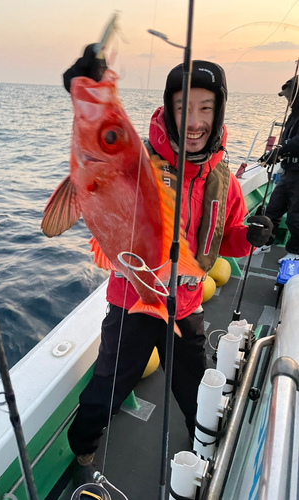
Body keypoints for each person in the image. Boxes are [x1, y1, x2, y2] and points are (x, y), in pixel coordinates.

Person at [62, 46, 273, 466]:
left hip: (185, 306)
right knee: (107, 388)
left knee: (196, 391)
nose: (195, 121)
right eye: (183, 107)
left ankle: (204, 456)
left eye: (206, 109)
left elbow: (226, 238)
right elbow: (101, 152)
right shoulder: (138, 162)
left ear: (218, 114)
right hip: (132, 303)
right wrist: (81, 88)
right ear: (168, 110)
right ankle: (82, 445)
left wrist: (249, 236)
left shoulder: (223, 181)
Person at [254, 76, 299, 262]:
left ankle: (296, 253)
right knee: (273, 209)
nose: (287, 101)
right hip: (289, 170)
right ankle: (265, 241)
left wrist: (283, 148)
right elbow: (286, 141)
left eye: (290, 97)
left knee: (296, 217)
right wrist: (274, 154)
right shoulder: (293, 116)